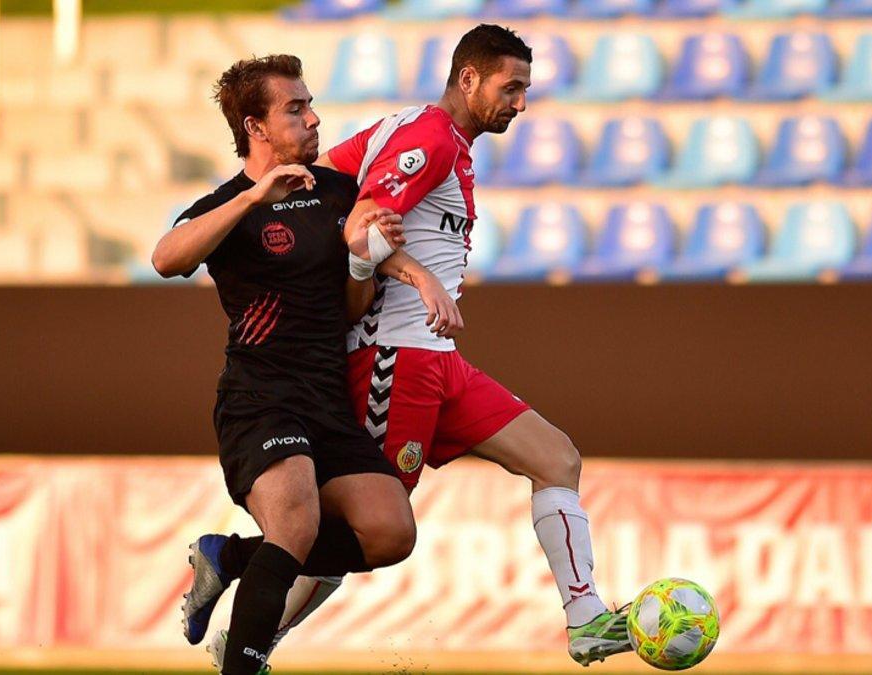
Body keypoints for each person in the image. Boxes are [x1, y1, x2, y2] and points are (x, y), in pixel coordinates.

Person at [206, 25, 632, 670]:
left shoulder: (425, 136)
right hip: (391, 357)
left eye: (524, 89)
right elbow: (360, 228)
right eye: (509, 87)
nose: (519, 103)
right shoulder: (428, 138)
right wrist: (414, 272)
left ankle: (586, 621)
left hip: (439, 360)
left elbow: (331, 184)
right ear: (468, 79)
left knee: (557, 459)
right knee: (370, 529)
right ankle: (241, 637)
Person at [151, 54, 459, 675]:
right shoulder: (228, 205)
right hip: (261, 397)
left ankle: (231, 559)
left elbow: (356, 298)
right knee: (295, 520)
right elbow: (166, 258)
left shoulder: (337, 192)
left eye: (310, 103)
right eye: (296, 108)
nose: (314, 118)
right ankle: (242, 666)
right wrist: (255, 197)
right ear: (255, 127)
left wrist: (402, 271)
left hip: (328, 401)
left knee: (391, 533)